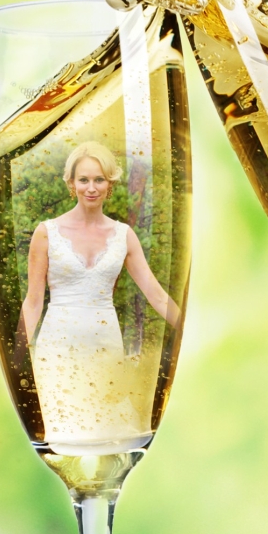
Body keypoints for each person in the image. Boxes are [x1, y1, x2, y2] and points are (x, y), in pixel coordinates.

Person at [21, 141, 180, 452]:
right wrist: (16, 359)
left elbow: (156, 294)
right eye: (84, 180)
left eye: (99, 179)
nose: (91, 188)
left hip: (105, 344)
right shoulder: (46, 232)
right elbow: (33, 301)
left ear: (110, 184)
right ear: (71, 184)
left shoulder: (124, 235)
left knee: (108, 433)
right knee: (63, 434)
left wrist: (188, 328)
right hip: (58, 346)